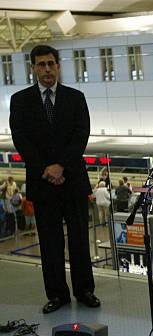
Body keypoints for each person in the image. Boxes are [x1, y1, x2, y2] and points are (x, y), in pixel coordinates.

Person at [9, 45, 100, 313]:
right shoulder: (20, 100)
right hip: (42, 182)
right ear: (33, 68)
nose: (47, 69)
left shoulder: (75, 98)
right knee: (49, 243)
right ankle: (57, 294)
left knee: (79, 240)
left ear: (58, 66)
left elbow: (81, 134)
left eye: (51, 64)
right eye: (41, 65)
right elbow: (21, 140)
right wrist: (46, 169)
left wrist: (61, 166)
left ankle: (85, 291)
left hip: (72, 180)